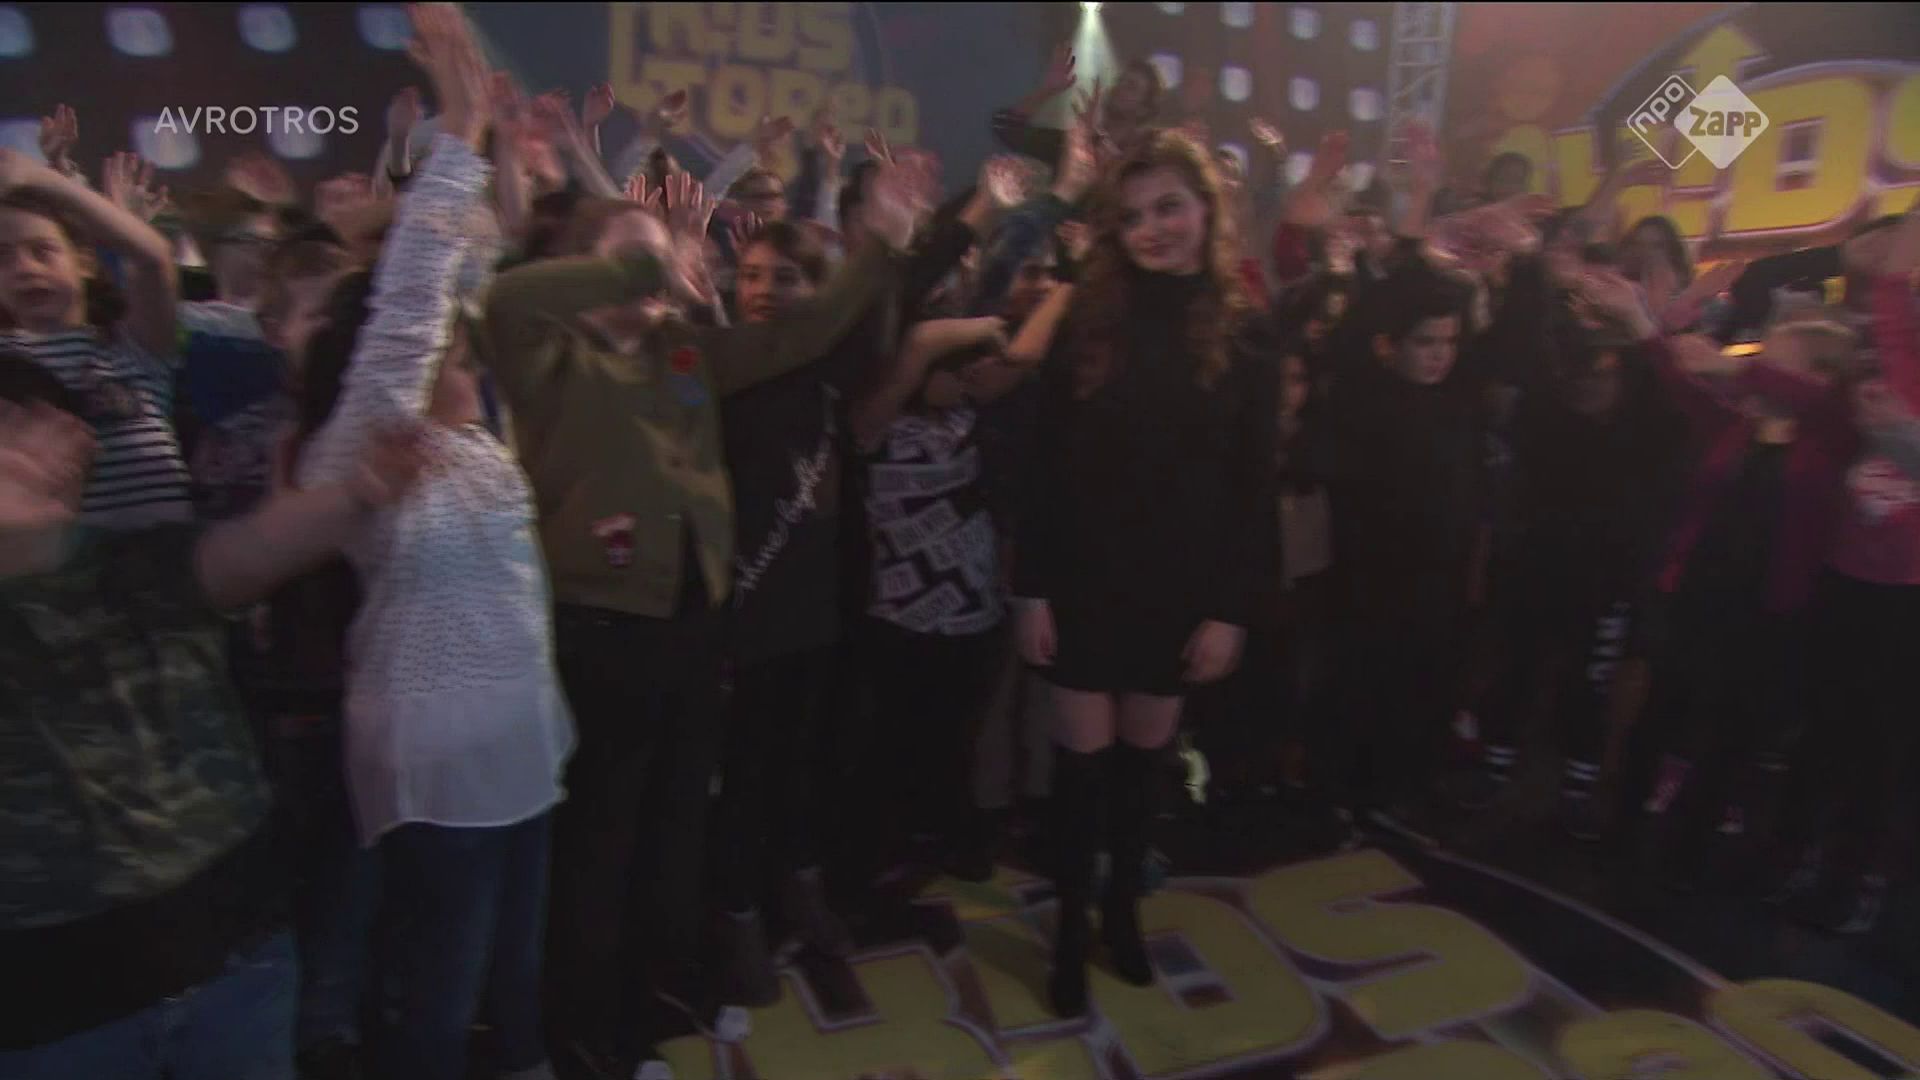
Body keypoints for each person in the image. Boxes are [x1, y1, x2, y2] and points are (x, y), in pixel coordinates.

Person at [479, 159, 927, 1076]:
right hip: (602, 631)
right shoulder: (545, 351)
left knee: (677, 828)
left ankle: (661, 992)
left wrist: (879, 246)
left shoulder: (683, 351)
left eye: (657, 262)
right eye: (624, 262)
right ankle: (588, 1030)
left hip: (694, 629)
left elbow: (802, 334)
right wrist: (652, 257)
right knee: (602, 842)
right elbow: (508, 295)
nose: (652, 279)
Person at [0, 355, 421, 1080]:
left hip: (235, 959)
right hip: (58, 1009)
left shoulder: (138, 562)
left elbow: (249, 551)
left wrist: (360, 493)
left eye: (53, 427)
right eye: (14, 434)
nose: (46, 450)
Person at [291, 11, 570, 1078]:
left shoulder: (472, 445)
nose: (467, 356)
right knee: (441, 996)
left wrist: (498, 149)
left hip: (526, 749)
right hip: (443, 771)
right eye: (456, 347)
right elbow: (412, 300)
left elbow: (467, 265)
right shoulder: (365, 448)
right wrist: (457, 131)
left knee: (517, 969)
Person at [1012, 129, 1278, 1019]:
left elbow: (1252, 489)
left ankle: (1122, 912)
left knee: (1140, 773)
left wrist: (1230, 611)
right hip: (1083, 582)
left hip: (1180, 590)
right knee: (1080, 778)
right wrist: (1031, 589)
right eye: (1131, 217)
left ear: (1208, 208)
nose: (1152, 229)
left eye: (1169, 207)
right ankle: (1069, 931)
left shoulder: (1248, 333)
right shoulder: (1085, 324)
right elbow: (1041, 469)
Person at [1323, 259, 1480, 838]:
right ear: (1389, 346)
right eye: (1426, 343)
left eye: (1449, 343)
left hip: (1438, 579)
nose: (1440, 355)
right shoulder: (1364, 406)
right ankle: (1364, 792)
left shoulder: (1454, 405)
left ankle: (1407, 784)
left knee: (1426, 685)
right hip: (1376, 580)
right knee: (1374, 689)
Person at [0, 146, 189, 527]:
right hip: (59, 560)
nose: (24, 268)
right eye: (1, 258)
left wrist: (39, 178)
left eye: (43, 251)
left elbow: (153, 258)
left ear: (84, 261)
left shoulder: (132, 346)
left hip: (164, 553)